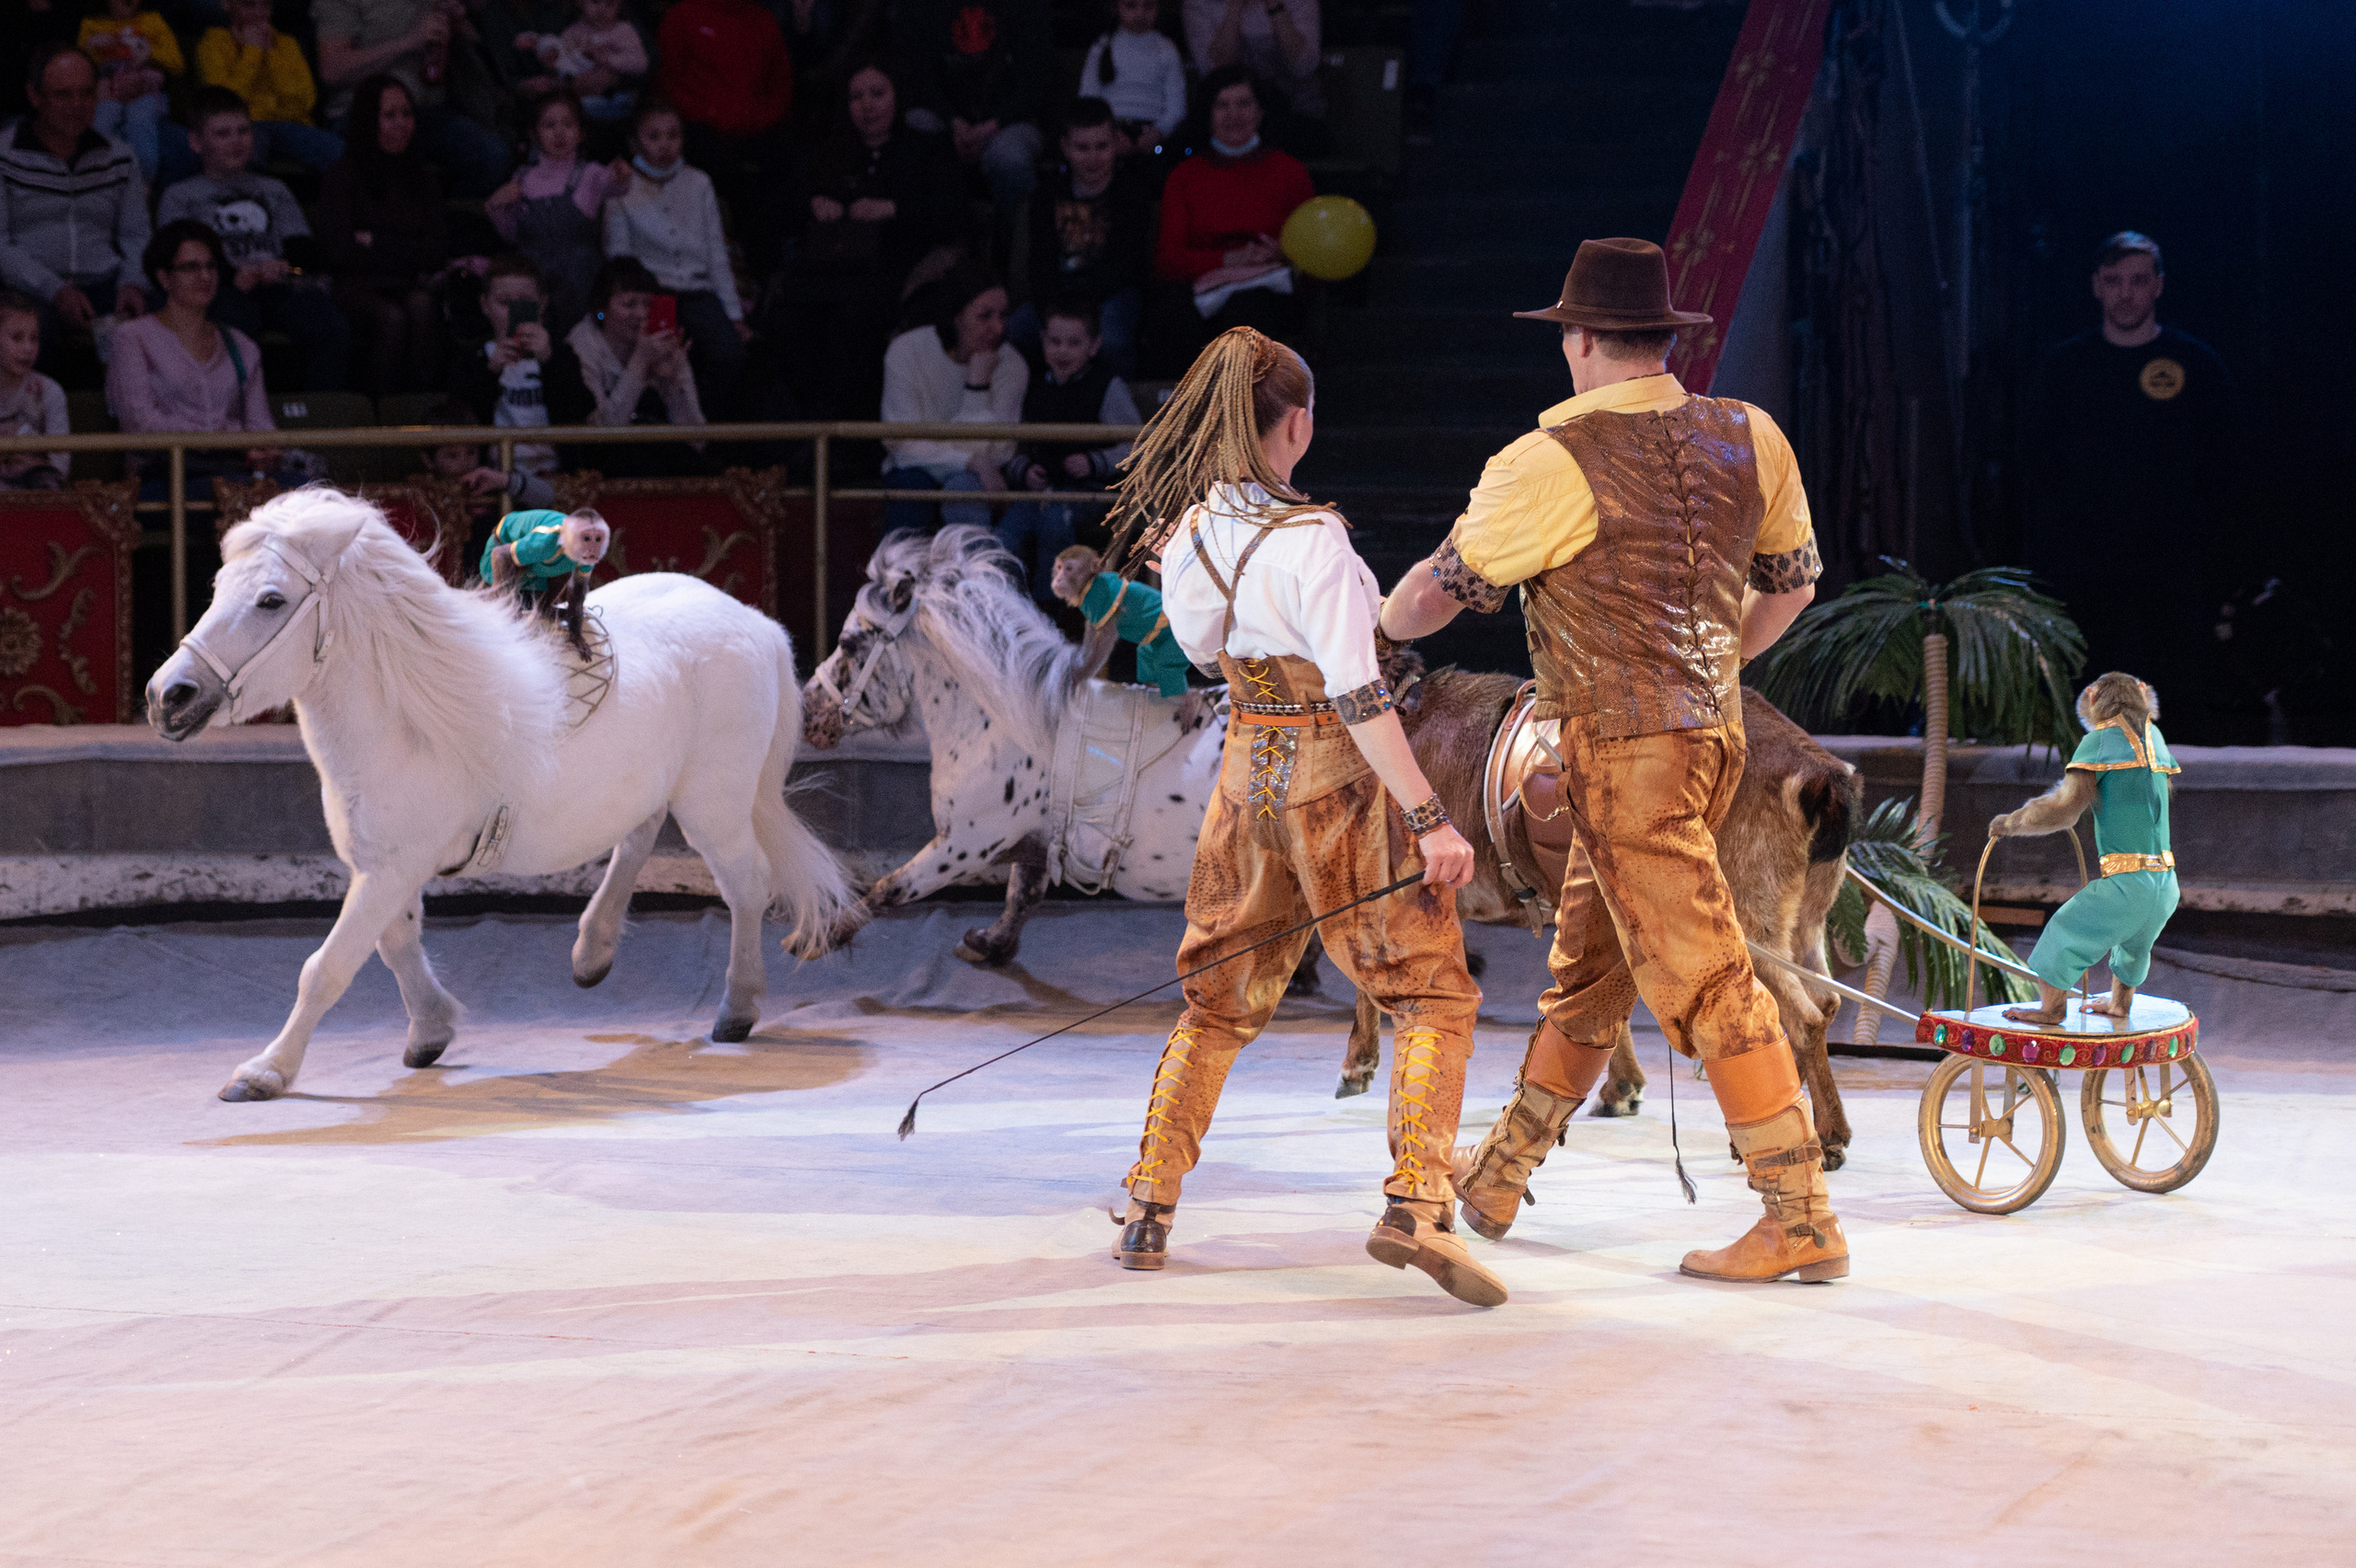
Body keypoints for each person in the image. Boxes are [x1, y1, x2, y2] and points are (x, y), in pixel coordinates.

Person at [1380, 238, 1842, 1285]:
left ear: (1580, 341)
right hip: (1708, 740)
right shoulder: (1749, 433)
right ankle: (1498, 1175)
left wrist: (1378, 616)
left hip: (1625, 756)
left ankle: (1798, 1213)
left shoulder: (1548, 460)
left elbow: (1437, 595)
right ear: (1661, 341)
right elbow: (1796, 582)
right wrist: (1714, 666)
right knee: (1590, 969)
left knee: (1708, 973)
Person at [1101, 324, 1496, 1306]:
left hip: (1242, 783)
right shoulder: (1315, 537)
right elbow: (1360, 698)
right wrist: (1430, 817)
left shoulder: (1191, 531)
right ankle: (1417, 1202)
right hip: (1330, 785)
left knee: (1217, 1002)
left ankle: (1150, 1199)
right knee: (1431, 990)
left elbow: (1199, 656)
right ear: (1298, 425)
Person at [2025, 232, 2240, 742]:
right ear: (2096, 287)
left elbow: (2226, 468)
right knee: (2085, 691)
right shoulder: (2064, 368)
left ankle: (2178, 798)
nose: (2126, 293)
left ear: (2159, 287)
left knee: (2180, 690)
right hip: (2084, 562)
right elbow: (2036, 466)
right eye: (2115, 281)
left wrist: (2214, 556)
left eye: (2139, 281)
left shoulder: (2196, 366)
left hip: (2174, 562)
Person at [1991, 673, 2180, 1028]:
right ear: (2142, 693)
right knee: (2134, 943)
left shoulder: (2100, 741)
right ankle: (2120, 1005)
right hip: (2166, 884)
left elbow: (2063, 811)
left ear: (2093, 698)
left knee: (2064, 933)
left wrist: (2012, 822)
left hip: (2126, 884)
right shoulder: (2155, 738)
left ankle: (2051, 1011)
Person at [158, 88, 350, 392]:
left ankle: (317, 419)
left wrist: (285, 265)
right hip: (218, 290)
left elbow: (302, 247)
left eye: (243, 131)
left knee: (329, 327)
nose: (237, 141)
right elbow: (177, 259)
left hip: (277, 284)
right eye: (223, 134)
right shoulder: (181, 196)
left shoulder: (274, 188)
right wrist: (232, 276)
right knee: (234, 323)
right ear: (196, 142)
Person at [107, 218, 305, 497]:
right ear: (164, 278)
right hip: (164, 478)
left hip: (234, 473)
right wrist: (223, 435)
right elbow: (140, 423)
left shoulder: (241, 344)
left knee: (306, 494)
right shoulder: (132, 337)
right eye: (190, 267)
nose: (205, 276)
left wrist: (266, 448)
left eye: (211, 266)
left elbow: (261, 425)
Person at [0, 44, 149, 382]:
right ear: (34, 96)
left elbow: (136, 235)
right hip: (29, 289)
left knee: (159, 325)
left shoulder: (120, 157)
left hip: (106, 282)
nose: (78, 106)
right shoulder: (4, 156)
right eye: (63, 95)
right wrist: (55, 290)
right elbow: (0, 244)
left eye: (85, 94)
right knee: (33, 333)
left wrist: (133, 283)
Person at [1152, 67, 1311, 360]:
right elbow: (1168, 259)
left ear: (1260, 112)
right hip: (1202, 287)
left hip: (1267, 290)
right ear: (1208, 114)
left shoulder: (1290, 172)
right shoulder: (1185, 176)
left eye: (1243, 104)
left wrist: (1282, 252)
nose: (1233, 114)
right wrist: (1227, 260)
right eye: (1222, 105)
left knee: (1249, 312)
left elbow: (1313, 253)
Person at [602, 98, 748, 417]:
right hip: (653, 293)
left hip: (698, 291)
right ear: (636, 142)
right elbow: (620, 258)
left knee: (729, 354)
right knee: (657, 362)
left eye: (673, 136)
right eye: (653, 137)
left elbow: (716, 254)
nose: (664, 145)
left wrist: (734, 313)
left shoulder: (699, 183)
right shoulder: (623, 187)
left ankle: (700, 427)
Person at [318, 74, 452, 396]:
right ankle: (380, 416)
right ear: (369, 120)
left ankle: (421, 408)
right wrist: (404, 248)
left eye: (407, 114)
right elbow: (338, 249)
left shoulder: (423, 180)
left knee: (423, 306)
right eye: (389, 115)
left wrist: (377, 241)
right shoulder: (341, 177)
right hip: (356, 286)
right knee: (391, 318)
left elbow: (437, 249)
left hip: (407, 282)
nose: (401, 124)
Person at [997, 299, 1137, 597]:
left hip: (1089, 493)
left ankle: (1049, 608)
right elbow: (1013, 443)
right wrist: (1025, 470)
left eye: (1074, 343)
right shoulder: (1032, 386)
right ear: (1043, 342)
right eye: (1055, 342)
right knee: (1006, 534)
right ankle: (1009, 605)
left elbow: (1137, 445)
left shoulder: (1107, 386)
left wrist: (1094, 462)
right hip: (1037, 494)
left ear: (1094, 345)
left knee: (1055, 522)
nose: (1062, 351)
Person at [1009, 98, 1151, 377]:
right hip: (1055, 296)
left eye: (1102, 147)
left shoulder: (1132, 194)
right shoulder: (1047, 195)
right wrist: (1056, 310)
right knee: (1011, 334)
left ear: (1116, 145)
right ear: (1066, 148)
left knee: (1111, 341)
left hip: (1110, 295)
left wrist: (1079, 310)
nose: (1093, 157)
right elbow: (1040, 260)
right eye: (1083, 148)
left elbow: (1125, 265)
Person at [311, 0, 512, 198]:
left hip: (428, 110)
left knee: (493, 155)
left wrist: (458, 20)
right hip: (363, 112)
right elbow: (331, 70)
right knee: (390, 167)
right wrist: (408, 42)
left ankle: (448, 222)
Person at [878, 267, 1025, 533]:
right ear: (956, 317)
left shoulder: (1011, 365)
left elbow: (996, 452)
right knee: (911, 486)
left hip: (979, 478)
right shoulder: (906, 351)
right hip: (914, 471)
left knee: (965, 486)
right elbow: (903, 446)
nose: (999, 328)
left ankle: (973, 571)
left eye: (1003, 316)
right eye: (985, 316)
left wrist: (977, 386)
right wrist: (971, 461)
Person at [654, 0, 792, 270]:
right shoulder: (684, 15)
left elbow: (780, 85)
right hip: (698, 131)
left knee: (780, 169)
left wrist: (755, 118)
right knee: (724, 168)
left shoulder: (763, 21)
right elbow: (666, 81)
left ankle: (770, 277)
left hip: (755, 131)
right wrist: (709, 113)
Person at [894, 0, 1050, 224]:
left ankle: (1018, 244)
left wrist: (992, 125)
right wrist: (953, 122)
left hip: (1011, 121)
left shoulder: (1025, 7)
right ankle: (933, 239)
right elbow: (918, 75)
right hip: (947, 119)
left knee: (1008, 157)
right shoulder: (920, 8)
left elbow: (1036, 78)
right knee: (917, 125)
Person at [549, 254, 705, 476]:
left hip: (661, 455)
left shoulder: (663, 344)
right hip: (606, 465)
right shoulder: (580, 345)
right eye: (629, 304)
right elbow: (599, 438)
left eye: (648, 304)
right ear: (601, 308)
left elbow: (697, 441)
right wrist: (639, 365)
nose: (641, 314)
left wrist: (671, 385)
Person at [487, 87, 615, 338]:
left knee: (582, 342)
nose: (559, 132)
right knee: (525, 344)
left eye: (567, 124)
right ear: (534, 135)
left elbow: (615, 187)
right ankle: (524, 369)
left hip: (582, 286)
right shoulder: (522, 177)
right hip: (533, 285)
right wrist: (495, 208)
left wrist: (621, 176)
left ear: (580, 132)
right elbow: (513, 235)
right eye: (549, 125)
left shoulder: (590, 173)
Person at [197, 0, 344, 171]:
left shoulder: (287, 44)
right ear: (227, 5)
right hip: (246, 125)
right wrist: (253, 51)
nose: (260, 13)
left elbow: (305, 101)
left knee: (341, 152)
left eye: (266, 5)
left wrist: (272, 53)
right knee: (249, 141)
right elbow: (223, 102)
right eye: (249, 5)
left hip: (292, 126)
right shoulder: (212, 43)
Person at [446, 251, 556, 479]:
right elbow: (462, 421)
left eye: (525, 303)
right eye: (504, 303)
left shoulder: (561, 356)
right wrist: (490, 371)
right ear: (485, 305)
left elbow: (578, 412)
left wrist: (550, 362)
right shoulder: (472, 361)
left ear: (542, 303)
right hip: (495, 476)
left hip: (555, 475)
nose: (514, 311)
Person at [416, 394, 557, 563]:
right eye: (452, 455)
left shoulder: (488, 484)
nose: (464, 463)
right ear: (428, 460)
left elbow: (548, 496)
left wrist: (505, 481)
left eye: (471, 452)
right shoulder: (423, 494)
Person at [1050, 543, 1189, 698]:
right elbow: (1092, 627)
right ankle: (1174, 703)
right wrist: (1081, 665)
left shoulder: (1099, 589)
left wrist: (1084, 674)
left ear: (1093, 568)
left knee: (1168, 673)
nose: (1059, 578)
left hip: (1171, 629)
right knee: (1151, 679)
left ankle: (1188, 702)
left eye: (1069, 569)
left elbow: (1107, 637)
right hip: (1155, 635)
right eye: (1059, 568)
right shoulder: (1091, 592)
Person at [1183, 0, 1322, 152]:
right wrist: (1234, 8)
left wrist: (1275, 6)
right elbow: (1215, 75)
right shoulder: (1199, 4)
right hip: (1225, 117)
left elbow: (1303, 67)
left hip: (1295, 115)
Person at [479, 503, 609, 654]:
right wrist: (507, 610)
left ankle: (545, 608)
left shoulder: (586, 554)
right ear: (568, 536)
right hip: (502, 546)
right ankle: (493, 605)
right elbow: (499, 555)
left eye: (598, 539)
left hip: (540, 562)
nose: (591, 548)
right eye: (586, 538)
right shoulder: (546, 541)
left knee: (568, 571)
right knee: (514, 611)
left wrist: (576, 634)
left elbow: (578, 596)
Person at [76, 0, 181, 181]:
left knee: (140, 121)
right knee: (102, 121)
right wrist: (91, 46)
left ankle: (143, 181)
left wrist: (150, 53)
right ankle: (98, 178)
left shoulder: (153, 20)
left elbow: (177, 64)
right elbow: (76, 67)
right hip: (106, 91)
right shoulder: (92, 24)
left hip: (145, 89)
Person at [514, 0, 648, 138]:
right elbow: (565, 65)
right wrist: (553, 63)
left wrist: (608, 60)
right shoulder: (572, 32)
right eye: (595, 2)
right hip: (583, 105)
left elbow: (641, 63)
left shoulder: (624, 30)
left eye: (610, 4)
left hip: (620, 103)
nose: (602, 9)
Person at [1078, 0, 1187, 154]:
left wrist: (1158, 132)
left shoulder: (1167, 49)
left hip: (1154, 133)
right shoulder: (1101, 47)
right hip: (1109, 135)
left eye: (1148, 6)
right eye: (1131, 5)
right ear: (1116, 8)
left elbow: (1177, 106)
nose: (1140, 14)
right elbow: (1088, 100)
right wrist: (1111, 133)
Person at [0, 289, 70, 487]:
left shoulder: (50, 391)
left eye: (34, 338)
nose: (28, 348)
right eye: (17, 338)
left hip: (38, 498)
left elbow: (60, 465)